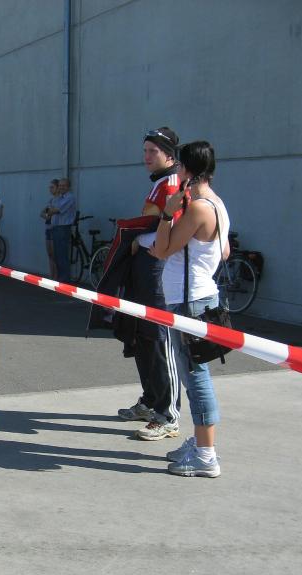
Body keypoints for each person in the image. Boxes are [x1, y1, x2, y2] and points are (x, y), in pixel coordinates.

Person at [150, 140, 229, 477]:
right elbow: (224, 252)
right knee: (193, 373)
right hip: (200, 295)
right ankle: (199, 444)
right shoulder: (217, 204)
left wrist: (168, 214)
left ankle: (206, 454)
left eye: (179, 165)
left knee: (195, 377)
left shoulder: (198, 208)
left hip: (189, 301)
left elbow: (162, 248)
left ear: (186, 169)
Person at [117, 127, 183, 441]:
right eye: (144, 150)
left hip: (157, 267)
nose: (146, 156)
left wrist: (140, 240)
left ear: (169, 155)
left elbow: (169, 229)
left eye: (152, 151)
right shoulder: (160, 182)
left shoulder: (172, 183)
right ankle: (151, 400)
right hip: (144, 266)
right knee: (142, 334)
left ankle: (168, 413)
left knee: (158, 337)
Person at [43, 177, 76, 281]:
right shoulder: (59, 198)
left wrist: (49, 211)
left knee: (61, 255)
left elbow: (53, 210)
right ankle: (60, 279)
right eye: (60, 185)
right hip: (56, 228)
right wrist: (49, 211)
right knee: (56, 255)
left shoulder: (69, 198)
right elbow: (46, 211)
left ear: (68, 187)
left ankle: (64, 280)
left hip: (63, 229)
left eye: (63, 186)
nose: (61, 187)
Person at [39, 178, 60, 278]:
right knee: (50, 254)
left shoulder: (60, 200)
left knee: (55, 255)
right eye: (50, 187)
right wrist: (47, 215)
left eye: (52, 187)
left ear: (57, 188)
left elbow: (52, 212)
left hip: (55, 229)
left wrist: (49, 213)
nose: (50, 189)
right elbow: (42, 213)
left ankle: (56, 277)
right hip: (48, 228)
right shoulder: (51, 200)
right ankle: (52, 276)